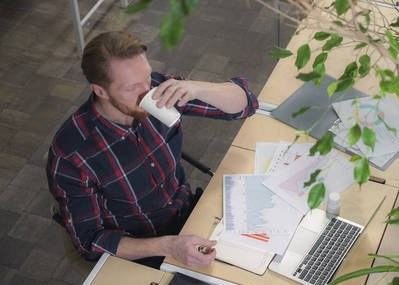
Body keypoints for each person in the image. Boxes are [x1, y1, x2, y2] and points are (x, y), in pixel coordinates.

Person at [46, 31, 258, 268]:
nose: (146, 90)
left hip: (187, 216)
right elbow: (90, 242)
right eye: (132, 87)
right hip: (140, 250)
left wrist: (196, 88)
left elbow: (245, 104)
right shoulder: (72, 154)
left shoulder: (155, 89)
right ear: (100, 91)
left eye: (146, 78)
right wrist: (168, 245)